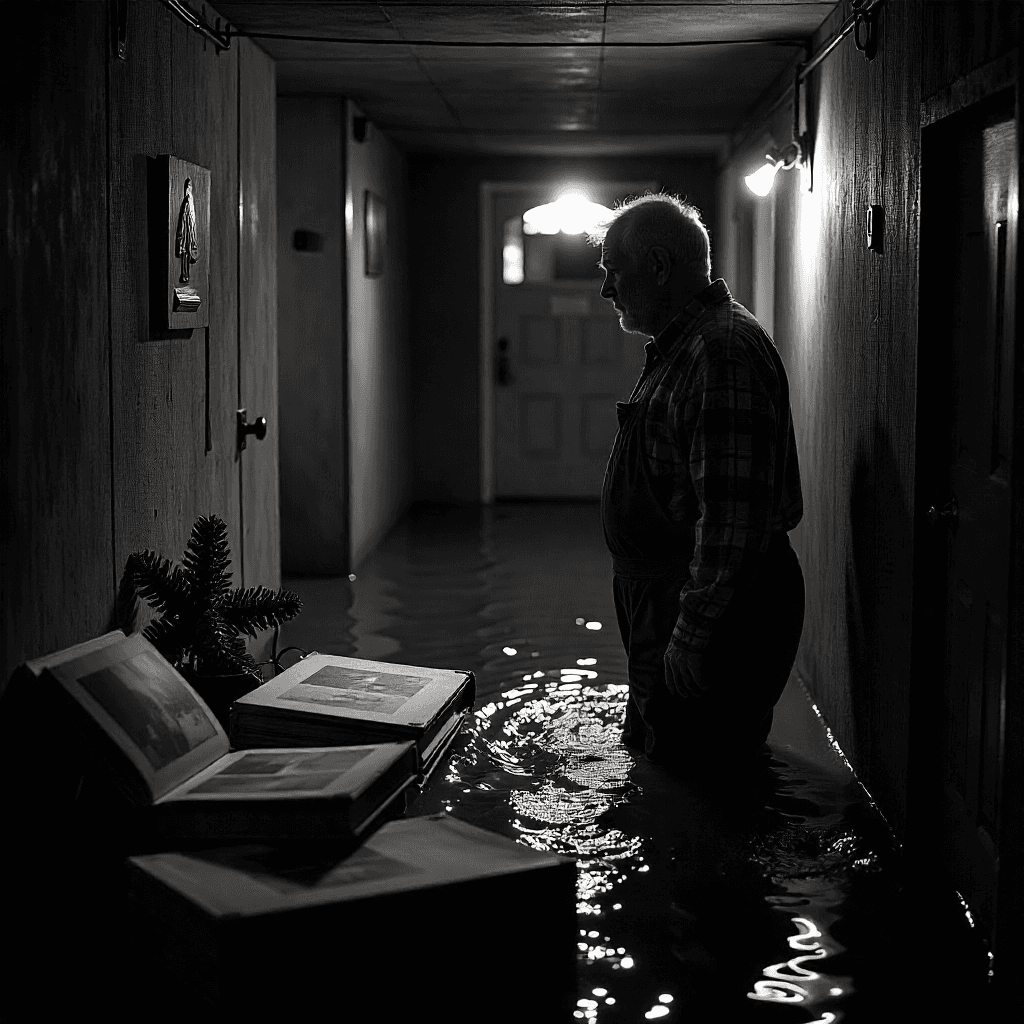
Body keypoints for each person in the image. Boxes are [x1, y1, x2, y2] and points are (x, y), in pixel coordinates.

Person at [594, 194, 805, 769]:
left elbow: (733, 522)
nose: (607, 289)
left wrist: (692, 635)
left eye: (615, 271)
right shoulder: (684, 347)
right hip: (668, 606)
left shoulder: (719, 354)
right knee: (665, 759)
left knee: (700, 780)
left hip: (709, 618)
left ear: (659, 267)